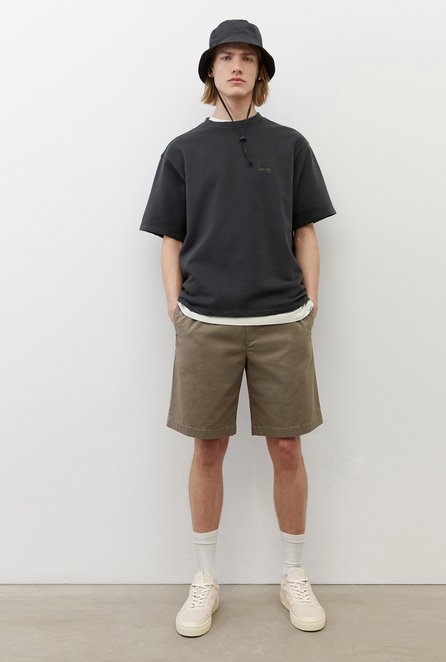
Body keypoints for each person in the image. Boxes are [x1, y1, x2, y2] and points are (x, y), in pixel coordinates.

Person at [139, 19, 336, 637]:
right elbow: (170, 238)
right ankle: (205, 578)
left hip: (281, 322)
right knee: (208, 448)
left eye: (247, 58)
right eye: (225, 57)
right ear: (210, 70)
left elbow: (306, 230)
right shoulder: (183, 150)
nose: (236, 67)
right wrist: (176, 309)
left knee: (288, 448)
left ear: (260, 72)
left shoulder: (290, 144)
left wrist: (309, 306)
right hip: (206, 322)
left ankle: (293, 573)